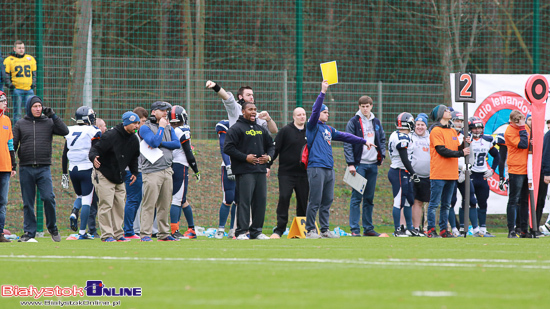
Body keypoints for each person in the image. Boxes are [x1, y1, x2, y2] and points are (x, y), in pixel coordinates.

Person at [304, 81, 375, 239]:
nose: (327, 114)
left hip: (329, 168)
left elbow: (346, 136)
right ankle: (310, 230)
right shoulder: (312, 126)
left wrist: (364, 141)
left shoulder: (329, 129)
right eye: (325, 112)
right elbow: (316, 110)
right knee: (314, 200)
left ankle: (324, 230)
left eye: (328, 112)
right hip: (316, 167)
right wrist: (323, 92)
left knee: (327, 200)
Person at [13, 96, 69, 242]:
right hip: (26, 168)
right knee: (28, 202)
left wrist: (54, 116)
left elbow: (65, 131)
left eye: (40, 106)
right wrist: (12, 165)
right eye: (35, 106)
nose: (38, 109)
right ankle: (29, 232)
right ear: (29, 108)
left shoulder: (49, 122)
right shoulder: (20, 124)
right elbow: (13, 145)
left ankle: (53, 228)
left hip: (44, 168)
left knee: (48, 197)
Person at [223, 101, 275, 240]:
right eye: (250, 109)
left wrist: (268, 157)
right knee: (244, 201)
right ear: (243, 112)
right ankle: (241, 232)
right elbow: (228, 148)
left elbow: (271, 146)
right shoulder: (236, 128)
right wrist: (245, 157)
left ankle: (256, 231)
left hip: (260, 170)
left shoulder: (260, 128)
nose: (253, 112)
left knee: (260, 201)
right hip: (244, 171)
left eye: (255, 109)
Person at [89, 111, 140, 242]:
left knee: (119, 206)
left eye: (138, 123)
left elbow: (134, 157)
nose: (137, 126)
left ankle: (118, 234)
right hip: (104, 173)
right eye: (134, 123)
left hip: (119, 175)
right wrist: (93, 157)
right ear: (126, 123)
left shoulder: (134, 139)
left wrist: (134, 172)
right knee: (106, 205)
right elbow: (95, 149)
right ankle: (106, 235)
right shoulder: (111, 135)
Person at [343, 95, 386, 237]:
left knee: (369, 198)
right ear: (359, 107)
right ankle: (355, 229)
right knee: (356, 197)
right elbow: (348, 142)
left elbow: (382, 139)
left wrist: (382, 155)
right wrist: (351, 163)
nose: (365, 109)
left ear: (371, 106)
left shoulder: (376, 122)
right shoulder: (353, 122)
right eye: (363, 106)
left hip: (372, 165)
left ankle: (368, 228)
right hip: (359, 165)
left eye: (367, 106)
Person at [426, 104, 469, 238]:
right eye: (445, 110)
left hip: (451, 173)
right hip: (439, 173)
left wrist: (464, 144)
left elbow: (455, 148)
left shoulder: (452, 131)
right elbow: (441, 150)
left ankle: (444, 230)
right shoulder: (436, 131)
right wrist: (461, 152)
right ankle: (431, 230)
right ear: (439, 114)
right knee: (434, 204)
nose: (449, 112)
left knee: (447, 204)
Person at [139, 101, 180, 242]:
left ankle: (163, 233)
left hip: (167, 170)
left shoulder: (169, 128)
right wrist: (161, 128)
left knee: (164, 205)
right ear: (153, 112)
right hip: (152, 172)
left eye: (166, 110)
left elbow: (176, 144)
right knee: (149, 204)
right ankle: (145, 234)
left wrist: (162, 143)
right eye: (162, 110)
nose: (165, 113)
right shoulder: (145, 128)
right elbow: (154, 143)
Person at [62, 106, 101, 239]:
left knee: (79, 196)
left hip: (72, 169)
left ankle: (74, 211)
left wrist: (64, 173)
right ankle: (82, 232)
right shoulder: (93, 130)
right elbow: (96, 150)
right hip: (86, 168)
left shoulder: (70, 130)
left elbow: (64, 153)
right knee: (87, 200)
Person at [270, 107, 309, 239]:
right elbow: (275, 149)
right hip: (286, 173)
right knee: (284, 198)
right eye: (299, 115)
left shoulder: (310, 131)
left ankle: (303, 230)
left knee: (303, 202)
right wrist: (268, 165)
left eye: (303, 114)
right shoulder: (285, 131)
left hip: (304, 174)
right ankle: (279, 230)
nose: (302, 117)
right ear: (294, 117)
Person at [387, 112, 422, 237]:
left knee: (409, 201)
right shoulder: (401, 137)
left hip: (403, 171)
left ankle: (409, 228)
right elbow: (404, 159)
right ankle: (398, 229)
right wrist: (414, 173)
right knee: (398, 201)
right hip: (399, 171)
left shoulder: (398, 134)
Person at [168, 105, 200, 239]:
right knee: (177, 199)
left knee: (182, 199)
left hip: (171, 164)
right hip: (180, 165)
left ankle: (191, 228)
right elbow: (188, 152)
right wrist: (196, 169)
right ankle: (174, 230)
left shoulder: (169, 129)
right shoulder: (183, 130)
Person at [467, 116, 500, 237]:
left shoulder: (488, 140)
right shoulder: (466, 140)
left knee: (483, 202)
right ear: (470, 129)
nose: (477, 130)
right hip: (471, 174)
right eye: (474, 128)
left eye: (479, 128)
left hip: (482, 175)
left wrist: (492, 169)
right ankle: (469, 228)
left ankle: (483, 229)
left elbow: (496, 155)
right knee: (470, 201)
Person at [503, 110, 532, 238]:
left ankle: (524, 229)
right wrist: (521, 128)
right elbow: (523, 144)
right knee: (514, 199)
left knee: (525, 200)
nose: (521, 123)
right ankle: (511, 229)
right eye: (518, 121)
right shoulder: (509, 131)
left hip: (527, 168)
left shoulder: (525, 127)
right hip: (515, 169)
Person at [121, 107, 147, 240]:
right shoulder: (131, 136)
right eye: (141, 121)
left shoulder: (136, 135)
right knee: (132, 200)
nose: (141, 124)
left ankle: (129, 230)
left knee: (135, 200)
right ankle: (128, 230)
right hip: (131, 171)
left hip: (137, 170)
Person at [3, 40, 37, 122]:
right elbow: (5, 74)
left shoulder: (30, 59)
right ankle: (17, 132)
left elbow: (34, 73)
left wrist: (33, 83)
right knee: (17, 112)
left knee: (30, 111)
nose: (21, 50)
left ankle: (30, 130)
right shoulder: (9, 60)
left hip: (29, 89)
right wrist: (10, 85)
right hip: (17, 89)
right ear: (14, 49)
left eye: (23, 48)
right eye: (19, 48)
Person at [215, 119, 237, 239]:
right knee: (229, 198)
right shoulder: (225, 124)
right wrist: (228, 165)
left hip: (243, 166)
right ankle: (221, 228)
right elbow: (223, 146)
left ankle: (233, 229)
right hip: (229, 165)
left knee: (238, 200)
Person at [86, 117, 107, 238]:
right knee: (92, 201)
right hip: (91, 173)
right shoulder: (97, 140)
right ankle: (91, 229)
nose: (106, 128)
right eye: (104, 125)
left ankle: (92, 229)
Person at [410, 113, 430, 233]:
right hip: (413, 175)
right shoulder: (411, 137)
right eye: (418, 124)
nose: (420, 127)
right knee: (414, 202)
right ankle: (415, 227)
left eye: (422, 125)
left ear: (426, 126)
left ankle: (425, 228)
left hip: (427, 175)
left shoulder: (430, 138)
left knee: (423, 202)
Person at [0, 92, 16, 242]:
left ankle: (0, 234)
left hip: (4, 167)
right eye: (3, 101)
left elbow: (10, 144)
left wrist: (13, 164)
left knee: (3, 202)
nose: (5, 103)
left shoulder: (7, 120)